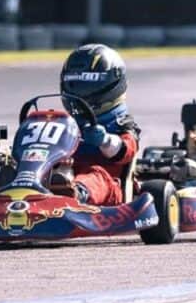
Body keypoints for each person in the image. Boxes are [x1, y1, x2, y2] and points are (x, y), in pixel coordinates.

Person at [51, 43, 140, 205]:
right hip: (64, 174)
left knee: (95, 175)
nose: (81, 96)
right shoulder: (66, 122)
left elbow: (128, 149)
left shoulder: (121, 123)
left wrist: (105, 140)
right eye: (76, 86)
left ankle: (76, 193)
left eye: (87, 87)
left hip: (108, 184)